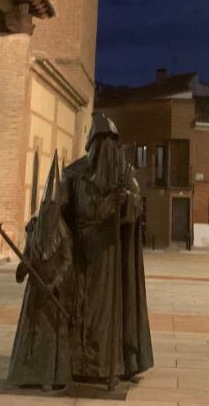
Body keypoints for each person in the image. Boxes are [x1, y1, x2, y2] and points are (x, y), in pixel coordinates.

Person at [63, 114, 153, 389]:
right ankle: (79, 364)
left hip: (111, 256)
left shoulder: (125, 174)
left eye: (112, 142)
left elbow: (137, 207)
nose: (107, 148)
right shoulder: (73, 173)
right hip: (81, 255)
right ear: (92, 143)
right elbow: (61, 212)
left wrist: (125, 202)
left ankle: (115, 364)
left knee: (110, 311)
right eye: (102, 141)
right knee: (82, 310)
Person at [7, 153, 74, 391]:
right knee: (32, 333)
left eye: (52, 205)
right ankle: (28, 373)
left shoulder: (63, 232)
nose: (48, 209)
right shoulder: (33, 231)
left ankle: (51, 375)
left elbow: (67, 261)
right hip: (35, 292)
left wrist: (55, 283)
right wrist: (23, 267)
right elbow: (27, 257)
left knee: (51, 336)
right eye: (45, 205)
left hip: (52, 292)